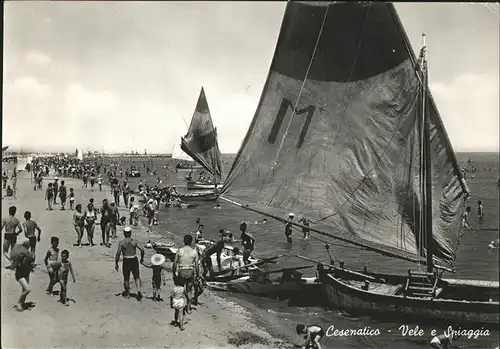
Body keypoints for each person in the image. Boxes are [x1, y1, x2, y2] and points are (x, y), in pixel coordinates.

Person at [115, 226, 144, 300]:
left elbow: (118, 254)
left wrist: (116, 263)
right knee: (136, 276)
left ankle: (127, 294)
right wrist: (142, 258)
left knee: (126, 278)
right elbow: (142, 250)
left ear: (124, 233)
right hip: (134, 259)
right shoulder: (134, 241)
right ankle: (139, 291)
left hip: (126, 260)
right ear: (130, 233)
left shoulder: (122, 243)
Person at [173, 235, 199, 313]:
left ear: (184, 241)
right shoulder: (194, 251)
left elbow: (175, 263)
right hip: (190, 271)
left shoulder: (180, 250)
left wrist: (174, 272)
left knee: (180, 288)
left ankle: (178, 305)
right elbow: (197, 265)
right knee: (189, 290)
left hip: (181, 271)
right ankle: (188, 308)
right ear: (191, 242)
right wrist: (197, 275)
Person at [10, 238, 35, 311]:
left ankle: (21, 304)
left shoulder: (26, 253)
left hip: (26, 274)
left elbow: (30, 262)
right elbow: (14, 265)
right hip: (20, 275)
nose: (29, 245)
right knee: (27, 290)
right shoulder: (21, 255)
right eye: (28, 244)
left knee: (24, 290)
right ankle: (18, 303)